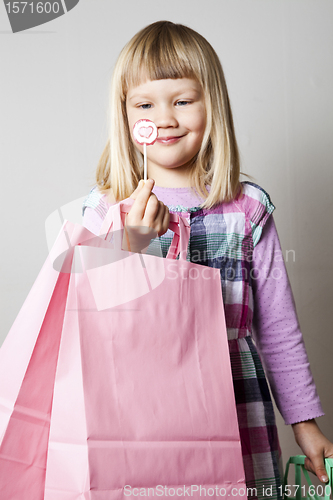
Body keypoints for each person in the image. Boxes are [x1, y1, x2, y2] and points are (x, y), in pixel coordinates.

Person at [82, 20, 333, 500]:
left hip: (235, 405)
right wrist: (129, 240)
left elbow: (278, 327)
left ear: (210, 104)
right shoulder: (105, 208)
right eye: (146, 104)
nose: (167, 118)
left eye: (182, 100)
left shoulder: (249, 207)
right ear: (127, 116)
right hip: (135, 409)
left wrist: (303, 422)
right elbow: (84, 316)